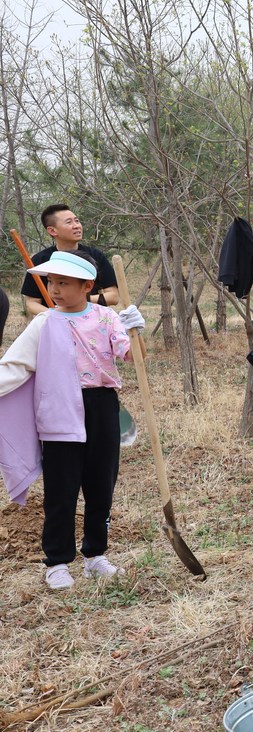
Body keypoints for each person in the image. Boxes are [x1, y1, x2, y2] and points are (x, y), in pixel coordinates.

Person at [0, 252, 145, 589]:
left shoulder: (106, 317)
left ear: (86, 286)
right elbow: (15, 366)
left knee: (100, 486)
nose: (54, 289)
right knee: (60, 491)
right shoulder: (44, 322)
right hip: (58, 410)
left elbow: (134, 357)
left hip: (102, 406)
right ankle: (57, 562)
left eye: (63, 282)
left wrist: (135, 330)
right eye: (51, 282)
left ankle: (96, 556)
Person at [22, 205, 120, 315]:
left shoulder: (95, 256)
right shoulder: (40, 260)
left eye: (77, 221)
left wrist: (77, 301)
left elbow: (113, 296)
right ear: (52, 230)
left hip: (92, 320)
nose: (76, 226)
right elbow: (32, 303)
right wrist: (56, 315)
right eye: (69, 222)